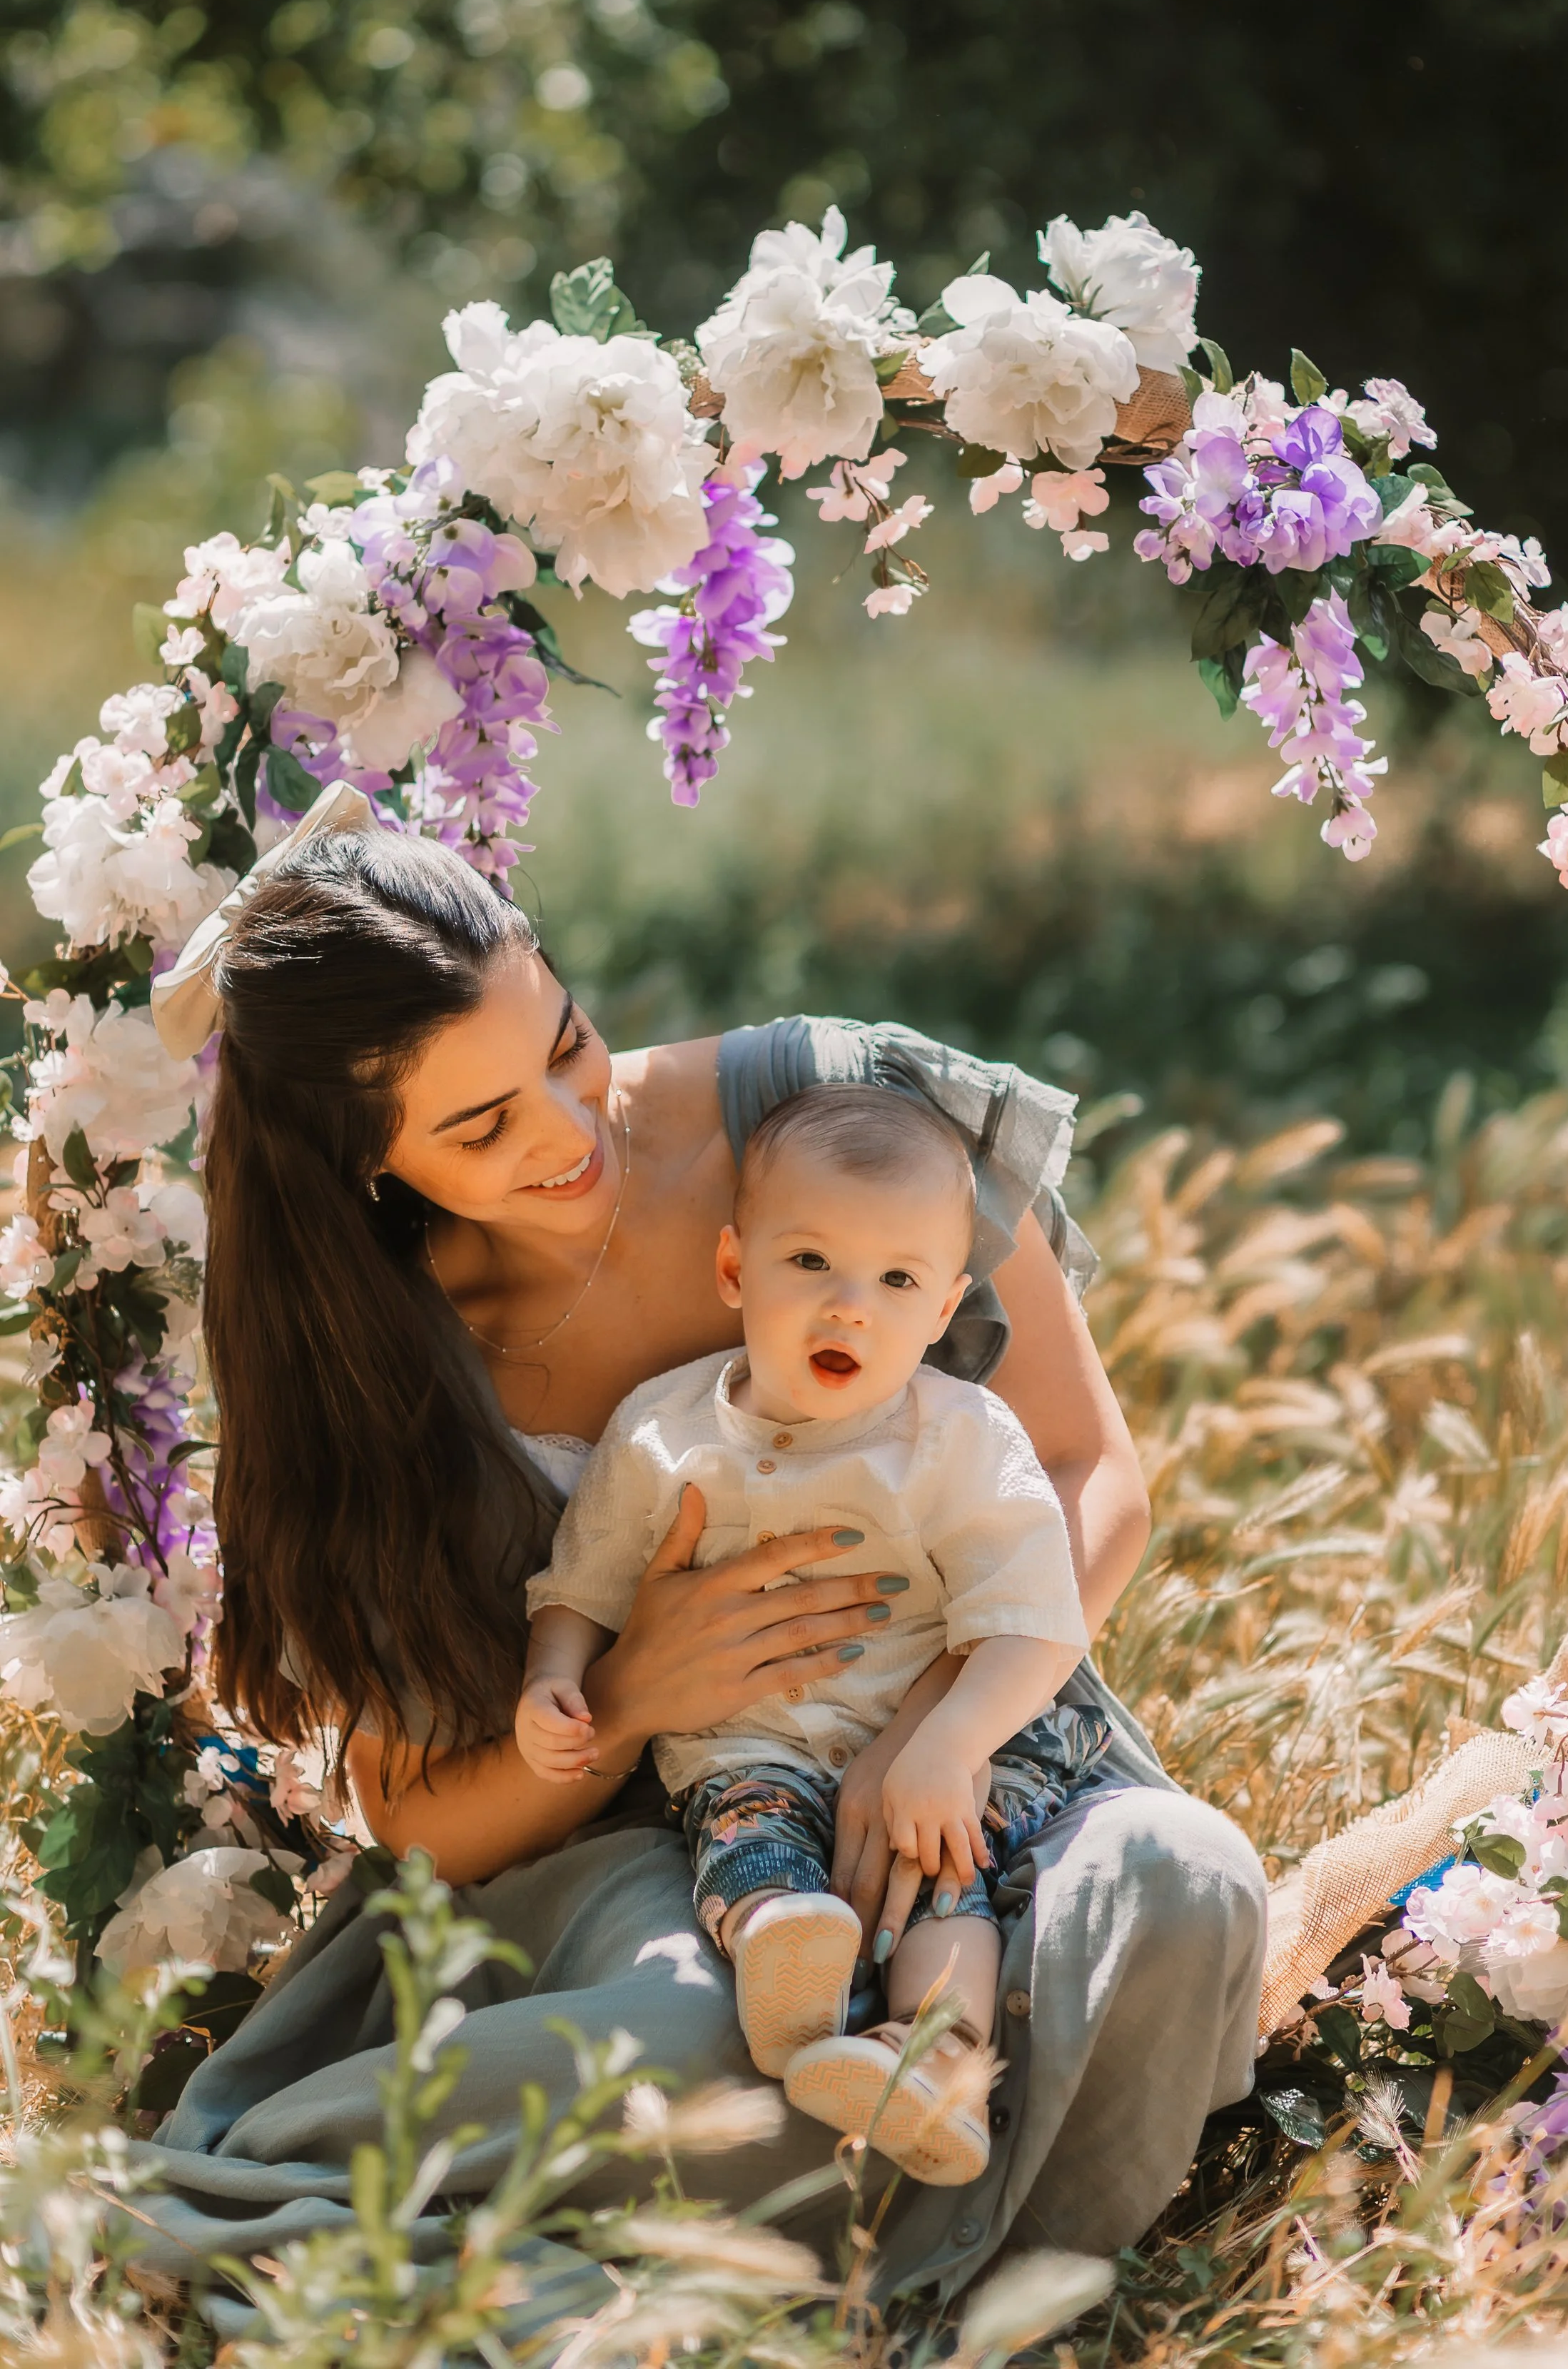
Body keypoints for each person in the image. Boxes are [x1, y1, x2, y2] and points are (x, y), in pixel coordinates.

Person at [133, 784, 1267, 2330]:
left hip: (977, 1755)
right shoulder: (375, 1355)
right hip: (619, 1853)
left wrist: (933, 1734)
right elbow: (420, 1826)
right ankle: (865, 2266)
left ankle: (952, 2288)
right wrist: (639, 1681)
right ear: (364, 1163)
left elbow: (1085, 1473)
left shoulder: (825, 1114)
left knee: (1178, 1886)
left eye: (564, 1044)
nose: (568, 1126)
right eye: (481, 1125)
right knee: (692, 2044)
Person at [517, 1081, 1107, 2183]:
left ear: (943, 1310)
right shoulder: (663, 1430)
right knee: (748, 1841)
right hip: (754, 1747)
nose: (851, 1307)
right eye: (810, 1265)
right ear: (737, 1269)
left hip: (935, 1746)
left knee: (944, 1873)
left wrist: (948, 1745)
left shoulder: (958, 1438)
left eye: (897, 1280)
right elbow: (582, 1586)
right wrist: (555, 1679)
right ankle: (791, 1960)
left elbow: (1035, 1622)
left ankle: (934, 2060)